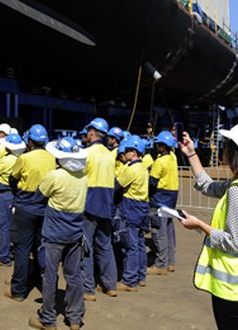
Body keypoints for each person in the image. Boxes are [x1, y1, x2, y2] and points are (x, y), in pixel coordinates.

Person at [179, 123, 238, 330]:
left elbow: (234, 243)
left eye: (227, 145)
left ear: (235, 152)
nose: (224, 149)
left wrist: (199, 225)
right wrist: (191, 154)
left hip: (236, 288)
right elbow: (208, 186)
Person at [28, 136, 88, 330]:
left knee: (50, 275)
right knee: (74, 275)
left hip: (54, 233)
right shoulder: (83, 176)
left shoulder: (55, 176)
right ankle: (75, 318)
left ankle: (48, 319)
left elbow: (39, 196)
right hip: (75, 232)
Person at [6, 124, 55, 301]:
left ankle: (18, 290)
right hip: (45, 208)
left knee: (22, 249)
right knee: (42, 249)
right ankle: (47, 286)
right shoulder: (52, 158)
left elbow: (13, 179)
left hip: (25, 207)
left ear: (29, 141)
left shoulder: (24, 158)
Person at [79, 117, 118, 300]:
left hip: (89, 204)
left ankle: (88, 289)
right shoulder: (110, 156)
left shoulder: (86, 153)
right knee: (105, 246)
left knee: (86, 247)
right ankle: (110, 286)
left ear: (92, 132)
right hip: (106, 206)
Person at [114, 136, 149, 291]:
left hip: (131, 207)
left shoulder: (131, 169)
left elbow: (117, 186)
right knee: (140, 243)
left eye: (127, 150)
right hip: (142, 206)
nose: (125, 153)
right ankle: (141, 276)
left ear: (133, 153)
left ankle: (129, 280)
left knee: (131, 245)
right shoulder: (143, 167)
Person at [0, 132, 26, 267]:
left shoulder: (6, 160)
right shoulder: (22, 159)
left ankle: (3, 256)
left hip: (4, 193)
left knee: (3, 225)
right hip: (19, 194)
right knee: (16, 225)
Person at [148, 130, 178, 276]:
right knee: (168, 231)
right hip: (171, 199)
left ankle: (161, 264)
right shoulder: (173, 157)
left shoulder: (159, 162)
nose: (156, 146)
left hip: (160, 198)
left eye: (159, 145)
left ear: (163, 147)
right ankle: (170, 262)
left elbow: (152, 182)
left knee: (159, 232)